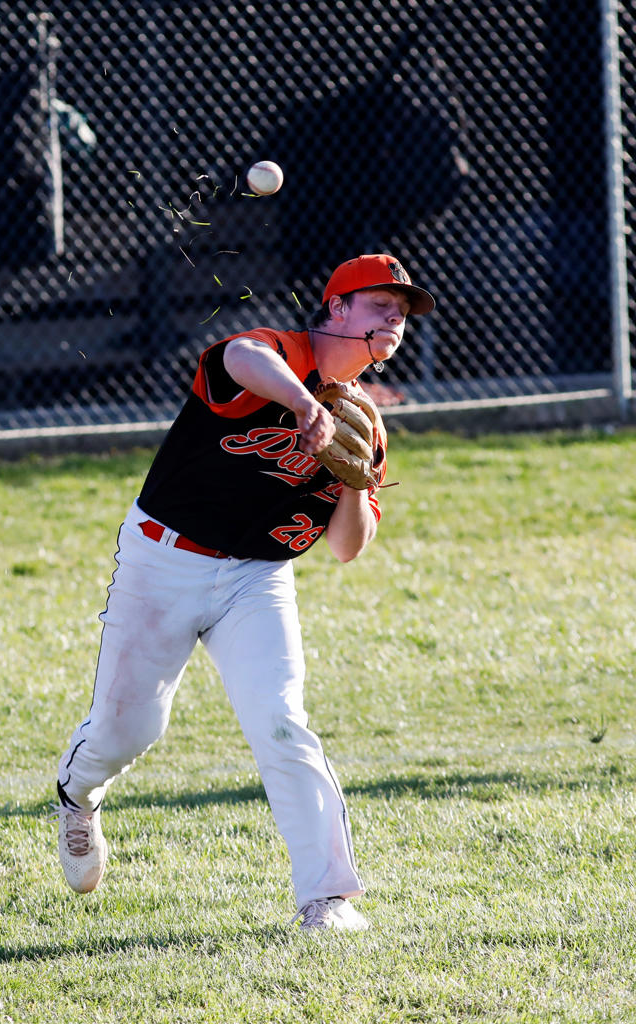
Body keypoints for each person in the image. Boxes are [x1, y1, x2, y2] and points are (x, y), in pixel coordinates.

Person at [54, 253, 436, 931]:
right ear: (336, 309)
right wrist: (300, 402)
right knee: (130, 730)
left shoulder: (367, 426)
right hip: (163, 560)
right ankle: (78, 794)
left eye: (402, 314)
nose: (394, 321)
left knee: (283, 723)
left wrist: (351, 476)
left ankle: (326, 898)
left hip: (257, 579)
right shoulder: (275, 355)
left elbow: (347, 547)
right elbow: (238, 358)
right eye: (380, 306)